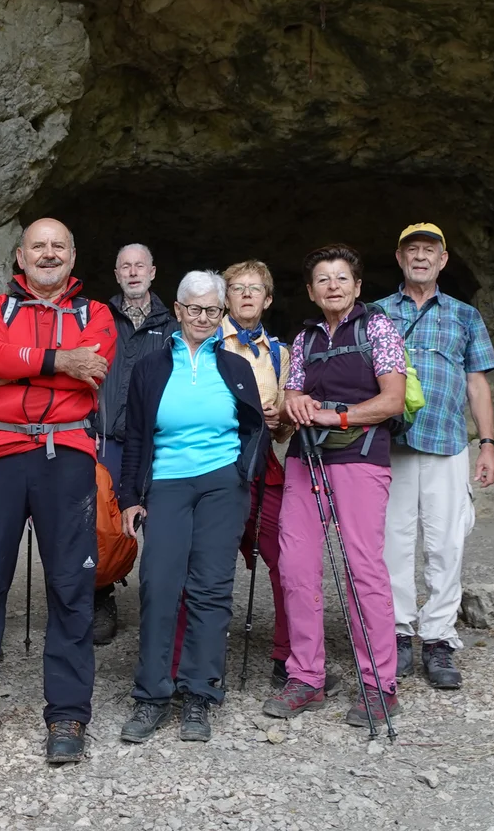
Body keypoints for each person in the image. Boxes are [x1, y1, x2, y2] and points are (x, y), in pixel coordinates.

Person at [0, 218, 115, 767]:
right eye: (38, 246)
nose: (47, 254)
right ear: (20, 255)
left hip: (66, 456)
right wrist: (62, 361)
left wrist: (17, 372)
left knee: (70, 587)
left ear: (72, 254)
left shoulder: (98, 314)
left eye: (57, 246)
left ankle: (67, 714)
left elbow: (97, 370)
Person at [115, 271, 267, 743]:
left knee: (211, 588)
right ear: (178, 310)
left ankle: (199, 694)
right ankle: (152, 695)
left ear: (222, 315)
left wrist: (244, 473)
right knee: (159, 584)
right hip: (167, 483)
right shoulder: (151, 366)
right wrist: (129, 498)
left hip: (222, 485)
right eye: (195, 309)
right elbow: (137, 436)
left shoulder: (237, 367)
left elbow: (254, 426)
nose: (203, 318)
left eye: (213, 311)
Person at [263, 244, 406, 730]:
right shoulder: (303, 339)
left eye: (342, 277)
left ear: (358, 286)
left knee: (362, 568)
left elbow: (391, 401)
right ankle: (306, 676)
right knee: (296, 564)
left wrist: (336, 414)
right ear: (310, 291)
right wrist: (296, 404)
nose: (333, 285)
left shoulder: (378, 328)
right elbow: (291, 396)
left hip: (361, 456)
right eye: (323, 279)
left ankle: (378, 684)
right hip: (307, 457)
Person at [374, 223, 494, 690]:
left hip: (448, 443)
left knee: (448, 543)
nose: (421, 257)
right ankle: (400, 631)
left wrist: (487, 443)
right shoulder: (375, 313)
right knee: (394, 543)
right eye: (413, 251)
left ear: (443, 260)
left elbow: (477, 383)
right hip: (392, 446)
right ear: (400, 258)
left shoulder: (466, 316)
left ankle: (439, 638)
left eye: (430, 251)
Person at [218, 260, 298, 684]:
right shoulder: (208, 342)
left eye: (256, 288)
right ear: (225, 297)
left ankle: (288, 654)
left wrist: (282, 416)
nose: (247, 294)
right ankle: (204, 653)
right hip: (218, 461)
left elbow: (284, 431)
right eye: (237, 287)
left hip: (263, 464)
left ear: (268, 299)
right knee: (211, 562)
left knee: (285, 559)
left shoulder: (280, 353)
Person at [95, 243, 178, 643]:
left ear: (153, 271)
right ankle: (100, 596)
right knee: (102, 526)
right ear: (116, 274)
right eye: (124, 266)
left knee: (159, 525)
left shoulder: (174, 323)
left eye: (139, 266)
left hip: (155, 443)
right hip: (106, 437)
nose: (132, 272)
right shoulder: (98, 318)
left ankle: (158, 606)